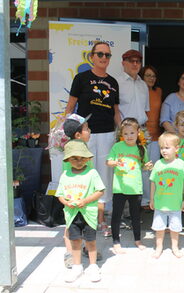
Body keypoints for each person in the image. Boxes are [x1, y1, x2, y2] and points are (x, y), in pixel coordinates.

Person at [65, 41, 121, 237]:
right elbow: (70, 107)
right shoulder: (81, 79)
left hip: (107, 134)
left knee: (104, 177)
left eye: (107, 55)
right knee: (84, 173)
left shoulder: (113, 82)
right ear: (92, 57)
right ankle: (80, 217)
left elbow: (115, 111)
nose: (104, 58)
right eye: (100, 54)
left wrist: (120, 132)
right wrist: (66, 131)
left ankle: (101, 219)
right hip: (85, 136)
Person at [55, 140, 105, 283]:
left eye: (82, 158)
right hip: (72, 215)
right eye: (74, 158)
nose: (78, 161)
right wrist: (66, 202)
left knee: (91, 241)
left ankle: (93, 266)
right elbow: (60, 195)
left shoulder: (92, 173)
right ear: (68, 160)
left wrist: (85, 201)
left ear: (88, 158)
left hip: (88, 213)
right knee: (75, 240)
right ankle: (77, 266)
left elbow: (100, 191)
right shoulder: (65, 175)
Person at [107, 118, 153, 254]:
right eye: (125, 134)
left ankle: (138, 240)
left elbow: (144, 166)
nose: (129, 136)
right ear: (121, 134)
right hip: (119, 187)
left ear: (138, 132)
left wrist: (148, 166)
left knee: (136, 216)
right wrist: (114, 163)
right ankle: (116, 241)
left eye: (132, 133)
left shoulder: (141, 148)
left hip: (135, 188)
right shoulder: (117, 147)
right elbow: (108, 161)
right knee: (116, 215)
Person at [115, 50, 151, 210]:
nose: (135, 64)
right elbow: (113, 109)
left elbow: (145, 110)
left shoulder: (143, 84)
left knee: (141, 169)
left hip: (141, 130)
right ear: (123, 63)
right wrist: (120, 132)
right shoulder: (116, 82)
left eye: (138, 61)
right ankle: (122, 211)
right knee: (124, 169)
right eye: (131, 61)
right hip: (124, 132)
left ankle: (136, 209)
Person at [149, 132, 184, 259]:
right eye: (162, 148)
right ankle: (159, 247)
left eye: (167, 148)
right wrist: (151, 199)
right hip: (160, 203)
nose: (164, 151)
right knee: (159, 227)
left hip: (175, 204)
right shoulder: (158, 164)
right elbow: (153, 183)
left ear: (176, 148)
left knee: (175, 227)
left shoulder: (181, 165)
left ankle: (175, 246)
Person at [61, 114, 92, 268]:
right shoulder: (71, 149)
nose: (90, 130)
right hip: (73, 194)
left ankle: (86, 247)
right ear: (78, 134)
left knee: (86, 222)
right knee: (70, 224)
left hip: (85, 195)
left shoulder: (84, 147)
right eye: (87, 128)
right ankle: (69, 253)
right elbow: (68, 174)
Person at [139, 65, 163, 208]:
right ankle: (142, 200)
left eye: (153, 76)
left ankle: (151, 200)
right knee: (142, 169)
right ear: (142, 77)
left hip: (156, 135)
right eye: (148, 75)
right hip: (141, 134)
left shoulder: (158, 91)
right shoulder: (138, 91)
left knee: (153, 169)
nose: (151, 78)